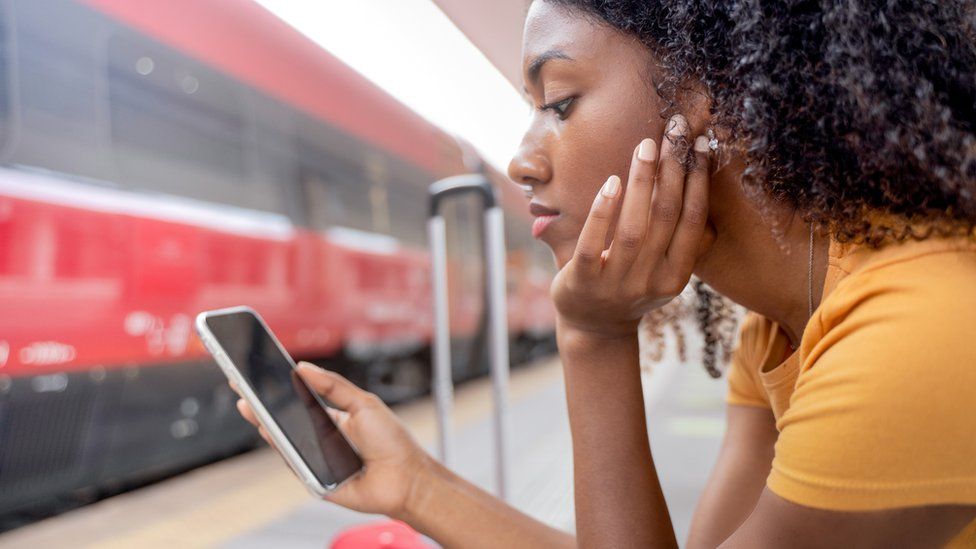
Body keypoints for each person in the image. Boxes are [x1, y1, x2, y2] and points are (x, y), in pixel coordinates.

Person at [236, 0, 976, 546]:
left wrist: (595, 336)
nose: (523, 158)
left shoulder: (918, 330)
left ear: (713, 94)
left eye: (559, 102)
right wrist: (417, 484)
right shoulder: (777, 330)